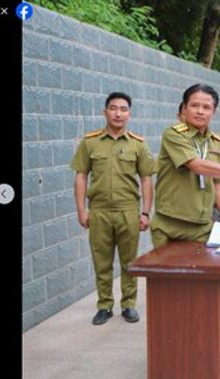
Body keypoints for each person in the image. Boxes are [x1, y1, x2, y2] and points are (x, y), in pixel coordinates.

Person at [70, 92, 155, 325]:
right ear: (105, 112)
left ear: (129, 113)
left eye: (123, 109)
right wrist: (81, 210)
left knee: (129, 261)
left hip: (128, 211)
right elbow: (81, 176)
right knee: (101, 260)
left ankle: (128, 304)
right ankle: (105, 305)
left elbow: (146, 178)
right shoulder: (90, 142)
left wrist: (146, 212)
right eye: (113, 108)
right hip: (99, 211)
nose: (118, 113)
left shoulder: (138, 144)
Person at [150, 84, 220, 248]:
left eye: (206, 107)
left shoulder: (215, 142)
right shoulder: (173, 134)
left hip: (201, 226)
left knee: (198, 272)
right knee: (167, 274)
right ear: (185, 108)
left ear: (213, 112)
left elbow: (218, 182)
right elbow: (197, 166)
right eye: (194, 105)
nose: (200, 111)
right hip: (169, 224)